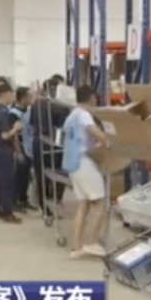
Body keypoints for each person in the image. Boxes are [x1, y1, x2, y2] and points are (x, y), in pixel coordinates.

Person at [63, 85, 109, 258]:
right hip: (84, 162)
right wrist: (107, 141)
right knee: (100, 203)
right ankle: (91, 241)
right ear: (91, 98)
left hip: (72, 164)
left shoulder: (71, 115)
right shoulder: (84, 115)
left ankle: (77, 246)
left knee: (83, 204)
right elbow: (97, 134)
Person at [31, 76, 70, 220]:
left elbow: (32, 123)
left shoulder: (36, 104)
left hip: (38, 141)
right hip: (55, 142)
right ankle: (56, 202)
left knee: (41, 174)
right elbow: (63, 127)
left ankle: (44, 207)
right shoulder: (60, 105)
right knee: (58, 174)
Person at [0, 82, 23, 223]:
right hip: (3, 150)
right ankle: (7, 211)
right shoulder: (2, 112)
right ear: (4, 94)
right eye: (11, 94)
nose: (12, 97)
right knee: (6, 181)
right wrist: (16, 129)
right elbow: (5, 135)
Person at [10, 86, 38, 211]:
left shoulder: (29, 111)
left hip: (29, 147)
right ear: (22, 99)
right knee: (18, 176)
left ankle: (23, 199)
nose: (32, 99)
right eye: (30, 96)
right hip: (20, 147)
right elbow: (14, 134)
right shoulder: (13, 114)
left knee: (26, 176)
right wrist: (18, 152)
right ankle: (14, 201)